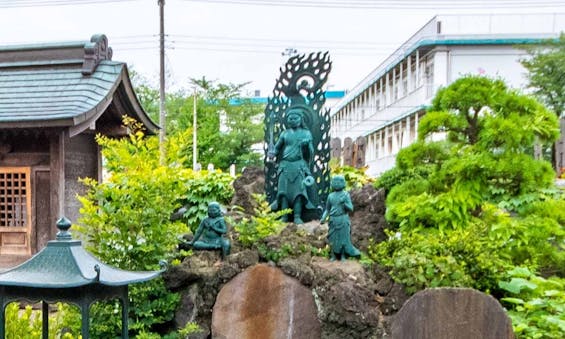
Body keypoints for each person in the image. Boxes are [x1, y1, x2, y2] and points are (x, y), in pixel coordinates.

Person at [267, 106, 317, 224]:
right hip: (285, 166)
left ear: (301, 119)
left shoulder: (306, 133)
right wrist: (272, 152)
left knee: (299, 192)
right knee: (283, 192)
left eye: (295, 118)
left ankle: (297, 216)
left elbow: (310, 152)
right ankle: (284, 216)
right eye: (290, 118)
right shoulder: (285, 133)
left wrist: (306, 145)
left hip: (299, 166)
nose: (292, 120)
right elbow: (278, 148)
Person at [320, 175, 360, 261]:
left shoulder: (345, 195)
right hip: (333, 219)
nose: (336, 184)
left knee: (343, 238)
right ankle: (333, 255)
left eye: (339, 182)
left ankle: (343, 255)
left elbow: (351, 208)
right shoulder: (330, 196)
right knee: (333, 238)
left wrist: (344, 203)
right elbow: (327, 209)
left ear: (343, 184)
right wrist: (323, 217)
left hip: (343, 219)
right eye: (334, 182)